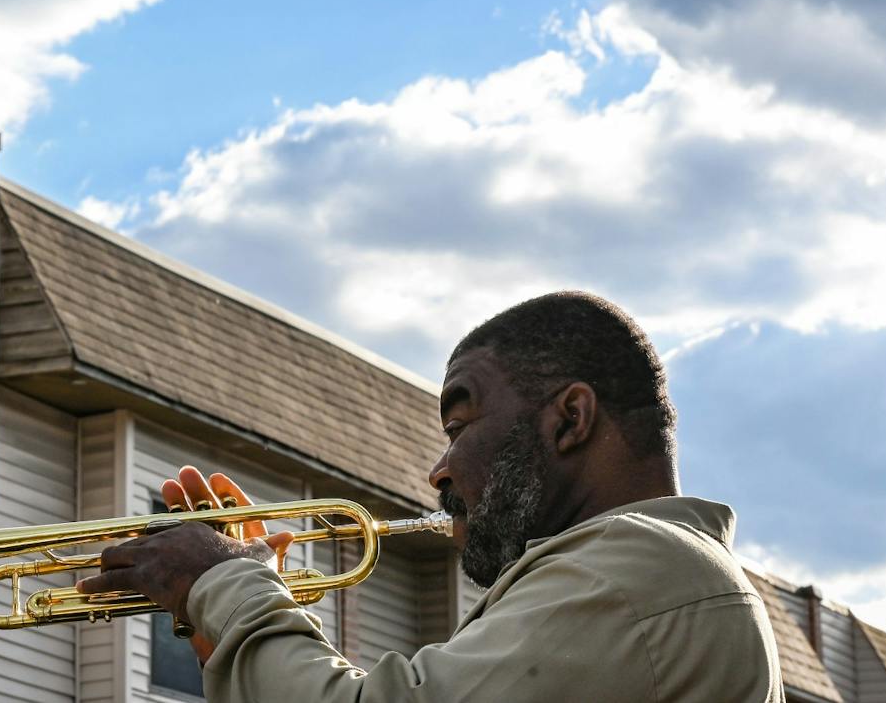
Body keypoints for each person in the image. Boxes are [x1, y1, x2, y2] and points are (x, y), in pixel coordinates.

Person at [76, 291, 784, 701]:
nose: (438, 472)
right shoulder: (641, 575)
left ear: (570, 418)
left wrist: (230, 585)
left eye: (461, 422)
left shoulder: (633, 571)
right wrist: (225, 633)